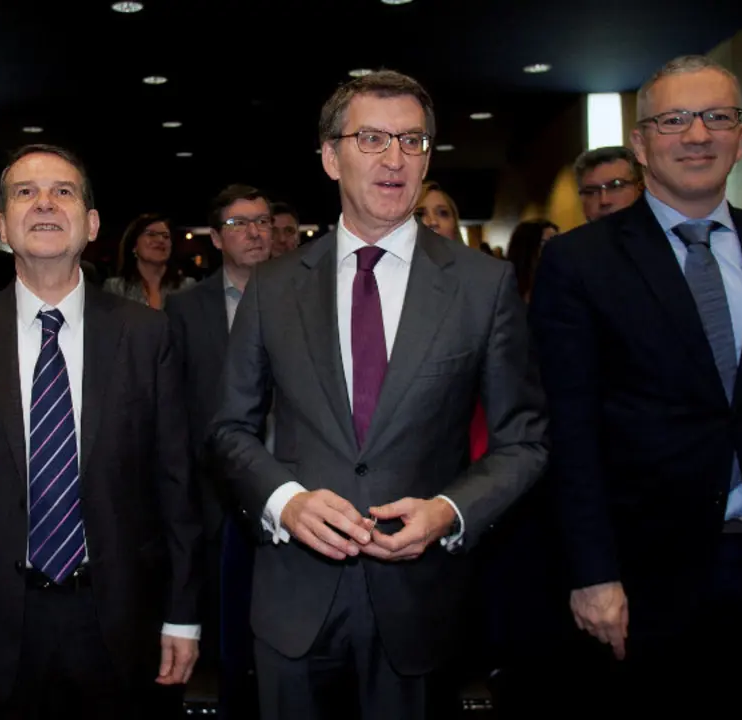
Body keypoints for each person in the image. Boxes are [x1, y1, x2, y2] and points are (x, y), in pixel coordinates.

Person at [208, 70, 548, 720]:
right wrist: (286, 501)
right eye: (372, 139)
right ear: (331, 157)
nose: (395, 158)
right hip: (293, 601)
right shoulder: (274, 287)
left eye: (412, 140)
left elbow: (524, 441)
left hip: (421, 603)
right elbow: (228, 430)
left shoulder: (482, 286)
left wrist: (450, 510)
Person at [531, 55, 742, 713]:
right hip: (645, 577)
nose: (698, 135)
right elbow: (569, 430)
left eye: (717, 117)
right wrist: (592, 573)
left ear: (741, 137)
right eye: (674, 120)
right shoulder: (580, 264)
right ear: (641, 144)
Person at [0, 144, 201, 718]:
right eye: (25, 193)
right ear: (1, 227)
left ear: (91, 225)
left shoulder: (148, 336)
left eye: (62, 192)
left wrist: (183, 616)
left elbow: (178, 485)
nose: (44, 202)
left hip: (121, 617)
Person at [165, 183, 274, 718]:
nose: (255, 232)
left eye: (262, 221)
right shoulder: (185, 309)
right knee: (223, 632)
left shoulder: (303, 296)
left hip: (288, 486)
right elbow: (174, 405)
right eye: (239, 224)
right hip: (212, 493)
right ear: (215, 237)